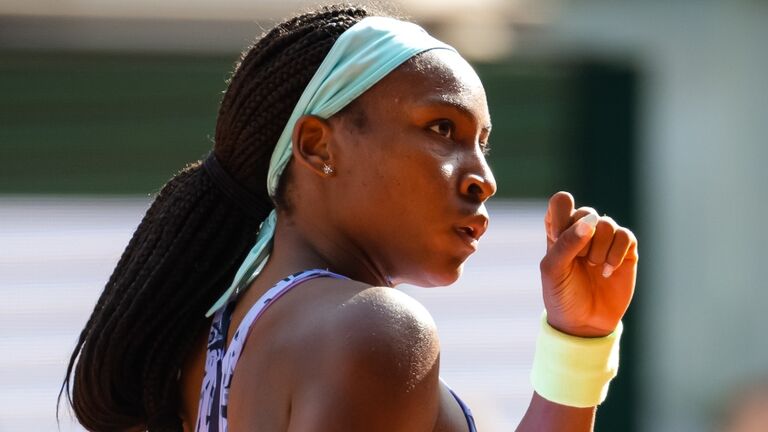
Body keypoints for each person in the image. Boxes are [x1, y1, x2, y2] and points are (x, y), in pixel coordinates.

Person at [60, 4, 638, 431]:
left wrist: (578, 338)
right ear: (317, 147)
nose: (483, 178)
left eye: (482, 144)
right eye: (442, 129)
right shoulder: (375, 332)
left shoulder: (201, 345)